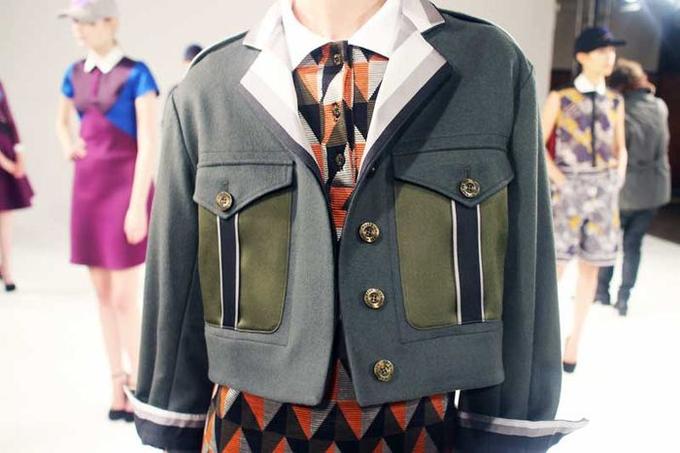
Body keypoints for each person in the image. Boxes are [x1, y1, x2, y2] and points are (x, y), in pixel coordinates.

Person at [131, 1, 585, 451]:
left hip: (419, 429)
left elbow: (524, 267)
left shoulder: (488, 67)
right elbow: (178, 281)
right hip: (247, 431)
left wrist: (507, 427)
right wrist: (174, 418)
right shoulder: (210, 85)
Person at [55, 0, 159, 422]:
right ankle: (117, 382)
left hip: (124, 189)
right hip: (88, 190)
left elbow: (149, 142)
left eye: (86, 21)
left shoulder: (137, 73)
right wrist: (68, 145)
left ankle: (142, 384)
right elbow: (61, 121)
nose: (78, 29)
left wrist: (138, 206)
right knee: (101, 295)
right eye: (73, 22)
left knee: (124, 298)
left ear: (111, 22)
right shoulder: (74, 73)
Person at [541, 27, 628, 372]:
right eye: (601, 51)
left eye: (611, 51)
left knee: (591, 268)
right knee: (556, 267)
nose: (609, 57)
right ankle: (545, 337)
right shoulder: (561, 98)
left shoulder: (615, 101)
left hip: (603, 191)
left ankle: (574, 340)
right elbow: (538, 143)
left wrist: (618, 175)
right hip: (569, 189)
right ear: (582, 56)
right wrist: (561, 180)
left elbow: (620, 147)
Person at [595, 58, 671, 316]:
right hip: (653, 189)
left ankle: (601, 293)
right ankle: (624, 298)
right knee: (633, 244)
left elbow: (615, 152)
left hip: (623, 189)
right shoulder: (660, 106)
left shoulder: (619, 110)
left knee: (609, 243)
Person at [0, 79, 35, 292]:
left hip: (6, 148)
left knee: (5, 218)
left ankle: (7, 270)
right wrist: (6, 163)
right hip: (3, 159)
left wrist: (20, 153)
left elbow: (9, 118)